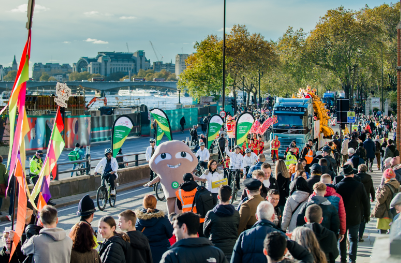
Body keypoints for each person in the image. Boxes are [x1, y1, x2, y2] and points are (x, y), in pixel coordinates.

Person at [232, 202, 314, 263]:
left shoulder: (244, 236)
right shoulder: (280, 236)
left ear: (257, 216)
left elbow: (234, 260)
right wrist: (289, 242)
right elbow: (307, 257)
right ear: (273, 216)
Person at [335, 164, 370, 263]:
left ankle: (343, 259)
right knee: (354, 239)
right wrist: (366, 215)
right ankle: (352, 259)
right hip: (355, 216)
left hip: (342, 217)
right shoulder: (359, 185)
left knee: (342, 238)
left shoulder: (338, 186)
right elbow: (366, 201)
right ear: (352, 174)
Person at [160, 212, 227, 263]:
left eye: (175, 228)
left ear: (183, 227)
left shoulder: (171, 256)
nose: (173, 232)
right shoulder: (217, 253)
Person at [203, 185, 240, 260]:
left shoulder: (211, 214)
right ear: (230, 197)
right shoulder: (236, 214)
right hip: (231, 248)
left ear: (218, 197)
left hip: (215, 248)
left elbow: (205, 232)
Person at [136, 195, 173, 263]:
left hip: (145, 251)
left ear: (144, 204)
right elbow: (170, 233)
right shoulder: (162, 218)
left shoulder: (139, 220)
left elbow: (136, 235)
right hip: (162, 250)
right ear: (155, 204)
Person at [372, 168, 400, 234]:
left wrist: (378, 193)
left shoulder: (386, 187)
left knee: (382, 233)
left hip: (385, 212)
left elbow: (381, 200)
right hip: (394, 212)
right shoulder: (398, 186)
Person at [354, 164, 375, 241]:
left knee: (357, 216)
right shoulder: (369, 178)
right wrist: (373, 197)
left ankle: (355, 233)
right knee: (363, 218)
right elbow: (372, 188)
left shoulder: (355, 177)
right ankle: (360, 235)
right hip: (366, 200)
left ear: (358, 170)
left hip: (357, 199)